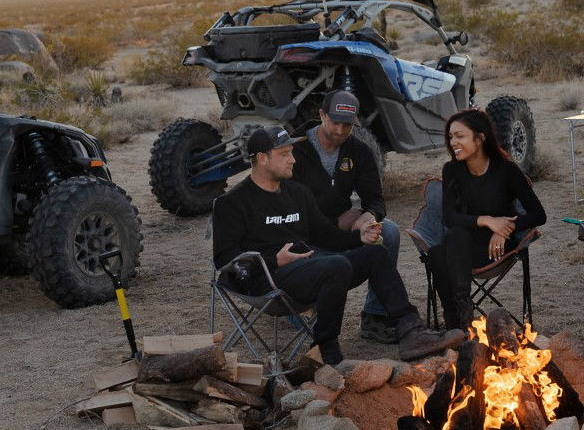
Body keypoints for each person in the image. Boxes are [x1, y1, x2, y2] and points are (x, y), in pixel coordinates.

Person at [211, 126, 465, 366]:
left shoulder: (297, 193)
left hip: (307, 269)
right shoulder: (232, 202)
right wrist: (273, 261)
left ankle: (412, 330)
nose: (293, 160)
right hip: (267, 279)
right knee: (336, 265)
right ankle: (325, 349)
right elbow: (224, 258)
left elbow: (326, 235)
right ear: (262, 158)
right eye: (284, 154)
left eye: (292, 153)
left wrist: (359, 238)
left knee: (375, 254)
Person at [290, 90, 403, 344]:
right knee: (307, 316)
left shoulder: (359, 151)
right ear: (322, 115)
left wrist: (369, 215)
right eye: (335, 122)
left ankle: (375, 316)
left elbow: (375, 198)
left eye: (348, 125)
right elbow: (288, 211)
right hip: (304, 236)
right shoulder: (294, 150)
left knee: (389, 231)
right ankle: (296, 307)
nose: (341, 130)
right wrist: (334, 223)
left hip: (342, 231)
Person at [427, 108, 547, 331]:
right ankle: (459, 318)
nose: (453, 142)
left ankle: (459, 324)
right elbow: (450, 218)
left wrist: (505, 229)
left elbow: (538, 214)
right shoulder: (452, 170)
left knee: (444, 249)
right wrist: (488, 220)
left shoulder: (506, 170)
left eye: (460, 136)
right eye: (451, 137)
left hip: (496, 249)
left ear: (480, 138)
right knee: (442, 247)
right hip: (462, 247)